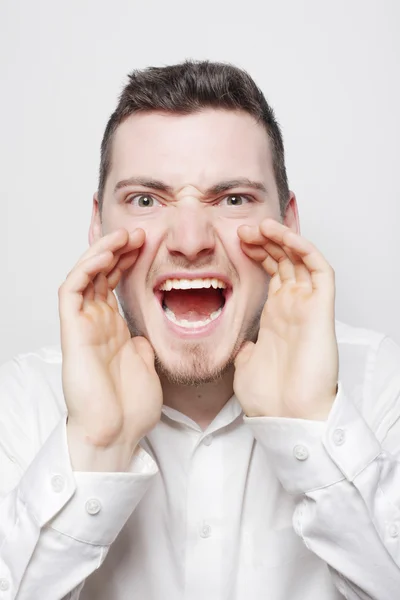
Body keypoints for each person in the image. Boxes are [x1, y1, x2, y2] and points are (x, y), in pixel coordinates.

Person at [1, 60, 400, 600]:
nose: (190, 240)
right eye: (145, 200)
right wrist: (95, 446)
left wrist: (314, 427)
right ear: (98, 227)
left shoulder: (383, 388)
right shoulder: (20, 405)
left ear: (288, 224)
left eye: (233, 199)